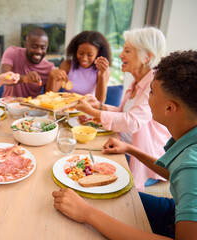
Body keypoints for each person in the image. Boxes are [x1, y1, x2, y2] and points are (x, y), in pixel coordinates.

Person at [53, 50, 197, 239]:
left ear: (169, 108)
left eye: (151, 92)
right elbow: (175, 173)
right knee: (104, 196)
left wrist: (87, 213)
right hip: (175, 209)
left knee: (91, 210)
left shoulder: (191, 167)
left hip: (175, 226)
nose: (147, 97)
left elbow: (187, 173)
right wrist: (131, 149)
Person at [74, 27, 171, 191]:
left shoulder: (154, 85)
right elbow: (124, 113)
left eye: (127, 51)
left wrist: (92, 112)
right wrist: (99, 106)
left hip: (142, 162)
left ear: (146, 56)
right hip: (122, 147)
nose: (120, 55)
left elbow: (132, 122)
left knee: (87, 175)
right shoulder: (138, 80)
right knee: (78, 159)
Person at [46, 31, 111, 102]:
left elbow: (100, 102)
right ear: (75, 50)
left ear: (98, 53)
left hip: (89, 109)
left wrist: (102, 75)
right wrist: (52, 76)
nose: (84, 58)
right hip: (67, 109)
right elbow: (50, 97)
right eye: (80, 53)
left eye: (90, 55)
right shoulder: (67, 65)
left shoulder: (103, 70)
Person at [0, 28, 56, 98]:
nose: (39, 51)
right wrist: (24, 78)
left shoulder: (49, 67)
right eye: (34, 47)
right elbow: (3, 78)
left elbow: (48, 97)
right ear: (26, 45)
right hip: (8, 105)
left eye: (43, 48)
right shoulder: (12, 53)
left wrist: (55, 78)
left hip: (33, 108)